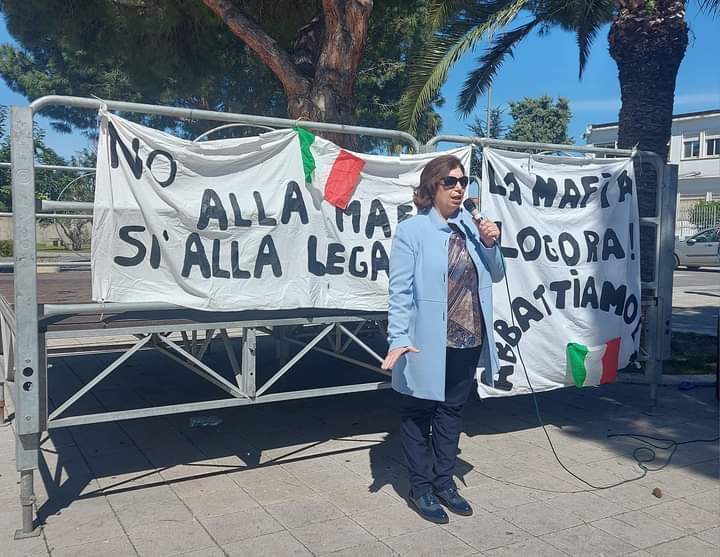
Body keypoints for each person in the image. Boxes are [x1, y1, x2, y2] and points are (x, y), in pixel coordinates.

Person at [381, 154, 505, 524]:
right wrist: (398, 337)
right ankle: (420, 487)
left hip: (468, 337)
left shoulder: (471, 228)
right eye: (449, 182)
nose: (458, 188)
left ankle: (444, 481)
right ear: (431, 187)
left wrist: (489, 243)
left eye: (462, 181)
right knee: (419, 413)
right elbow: (399, 292)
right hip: (426, 341)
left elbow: (496, 274)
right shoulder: (412, 231)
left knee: (452, 411)